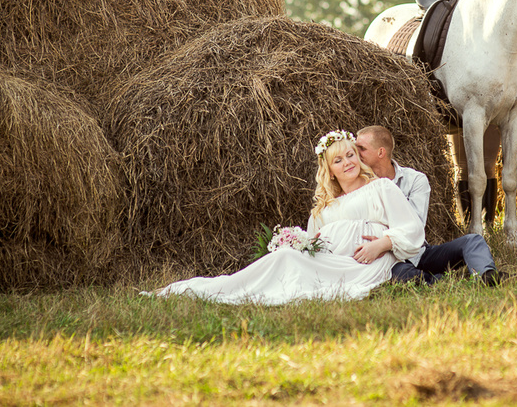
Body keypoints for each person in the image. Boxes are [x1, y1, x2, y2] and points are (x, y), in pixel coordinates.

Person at [145, 130, 425, 304]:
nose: (348, 162)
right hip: (329, 263)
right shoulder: (323, 208)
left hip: (365, 265)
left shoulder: (382, 188)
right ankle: (214, 287)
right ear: (329, 171)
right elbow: (315, 242)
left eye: (351, 155)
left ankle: (225, 287)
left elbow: (411, 228)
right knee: (286, 258)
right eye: (338, 160)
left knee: (287, 261)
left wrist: (381, 244)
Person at [355, 125, 505, 286]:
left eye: (361, 149)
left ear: (380, 152)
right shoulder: (356, 185)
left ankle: (486, 275)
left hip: (418, 252)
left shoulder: (414, 180)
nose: (356, 154)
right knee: (403, 274)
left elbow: (415, 225)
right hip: (387, 259)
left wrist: (382, 239)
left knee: (473, 240)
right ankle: (443, 283)